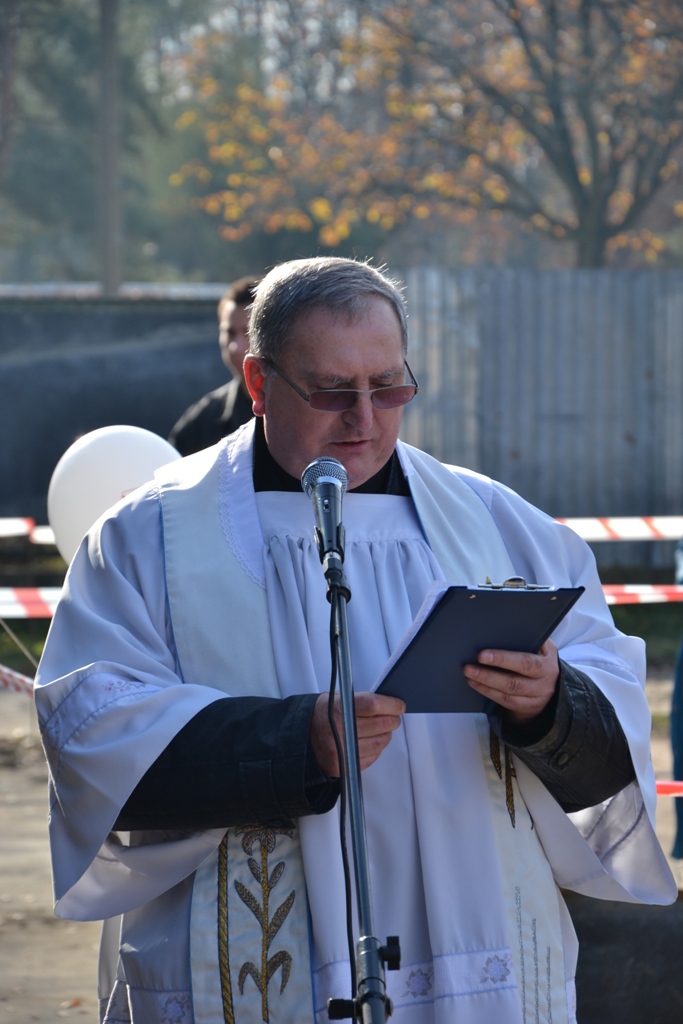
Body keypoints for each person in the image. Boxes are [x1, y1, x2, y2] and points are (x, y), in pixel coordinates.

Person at [34, 257, 675, 1024]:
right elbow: (91, 731)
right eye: (333, 390)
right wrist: (290, 743)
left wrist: (548, 705)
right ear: (259, 382)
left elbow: (611, 704)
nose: (364, 419)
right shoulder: (149, 540)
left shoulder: (502, 528)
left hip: (478, 962)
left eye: (389, 387)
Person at [168, 275, 259, 456]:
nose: (235, 346)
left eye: (248, 333)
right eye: (229, 333)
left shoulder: (309, 412)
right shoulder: (201, 423)